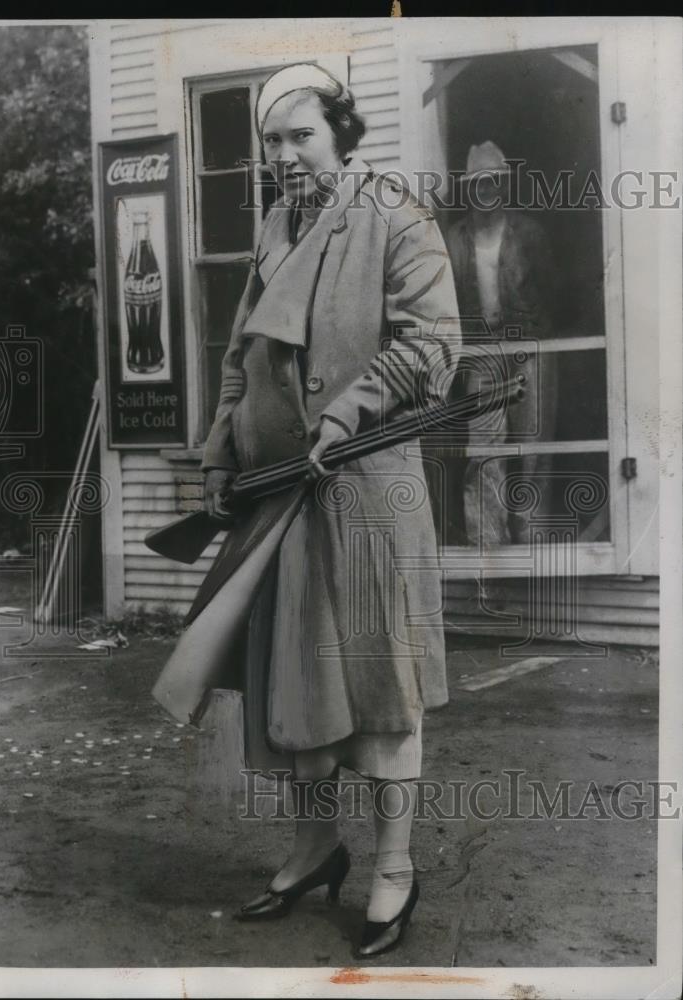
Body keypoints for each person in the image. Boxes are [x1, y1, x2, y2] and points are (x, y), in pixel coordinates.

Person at [199, 63, 461, 957]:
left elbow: (432, 346)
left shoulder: (394, 211)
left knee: (380, 686)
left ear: (342, 134)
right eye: (272, 141)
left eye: (300, 135)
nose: (284, 155)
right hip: (280, 496)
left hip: (366, 490)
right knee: (293, 685)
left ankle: (393, 866)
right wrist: (219, 449)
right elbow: (242, 355)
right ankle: (315, 849)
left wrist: (346, 411)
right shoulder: (276, 224)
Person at [446, 141, 559, 553]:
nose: (487, 190)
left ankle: (533, 542)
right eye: (478, 183)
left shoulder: (529, 233)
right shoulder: (454, 238)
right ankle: (488, 549)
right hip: (481, 351)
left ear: (505, 184)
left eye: (494, 182)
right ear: (468, 188)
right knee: (484, 450)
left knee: (535, 446)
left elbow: (552, 290)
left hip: (528, 346)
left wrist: (537, 333)